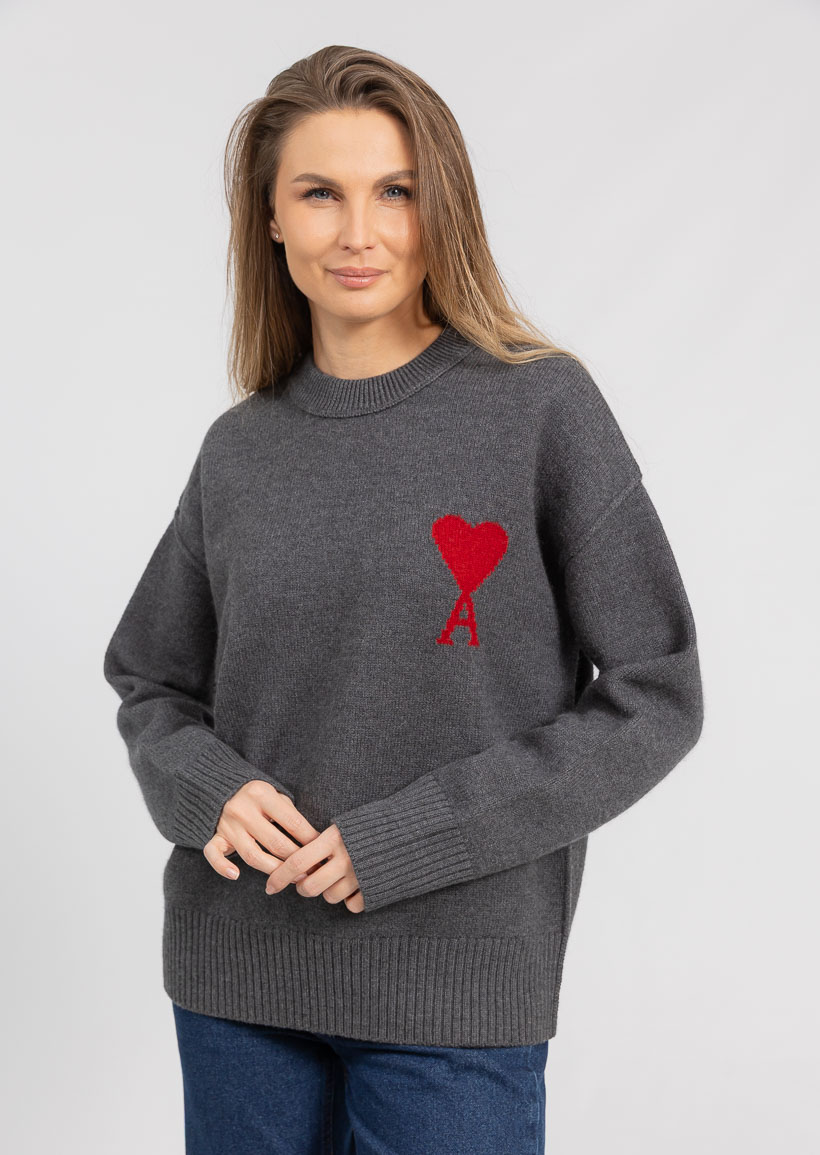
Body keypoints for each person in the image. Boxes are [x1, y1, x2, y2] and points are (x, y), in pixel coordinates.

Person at [103, 44, 704, 1155]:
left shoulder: (540, 408)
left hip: (455, 989)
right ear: (269, 218)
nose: (359, 232)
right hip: (238, 983)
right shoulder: (241, 450)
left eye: (396, 191)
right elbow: (150, 679)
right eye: (318, 194)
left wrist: (412, 838)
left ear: (444, 208)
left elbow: (656, 695)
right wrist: (205, 789)